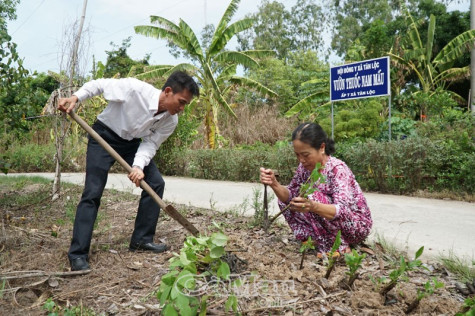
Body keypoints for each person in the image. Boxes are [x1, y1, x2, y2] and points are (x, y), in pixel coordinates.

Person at [58, 71, 200, 271]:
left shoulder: (171, 120)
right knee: (93, 192)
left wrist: (138, 166)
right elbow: (99, 84)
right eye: (181, 101)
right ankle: (78, 254)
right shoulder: (134, 90)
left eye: (186, 104)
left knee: (156, 183)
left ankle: (141, 240)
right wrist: (75, 98)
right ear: (168, 91)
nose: (182, 108)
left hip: (131, 144)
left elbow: (151, 144)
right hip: (103, 137)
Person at [260, 122, 372, 253]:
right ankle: (316, 239)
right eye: (297, 155)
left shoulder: (337, 169)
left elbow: (342, 210)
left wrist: (312, 206)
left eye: (306, 155)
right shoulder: (304, 168)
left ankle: (339, 246)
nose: (301, 160)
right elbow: (290, 194)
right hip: (333, 221)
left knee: (311, 197)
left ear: (322, 147)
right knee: (293, 200)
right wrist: (274, 183)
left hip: (355, 227)